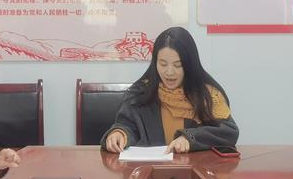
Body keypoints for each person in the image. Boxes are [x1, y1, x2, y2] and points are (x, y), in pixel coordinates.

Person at [102, 27, 238, 154]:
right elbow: (127, 126)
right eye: (163, 64)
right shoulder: (140, 93)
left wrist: (190, 138)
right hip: (149, 168)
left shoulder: (207, 95)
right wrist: (119, 133)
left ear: (190, 65)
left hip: (195, 168)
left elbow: (229, 132)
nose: (169, 72)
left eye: (178, 65)